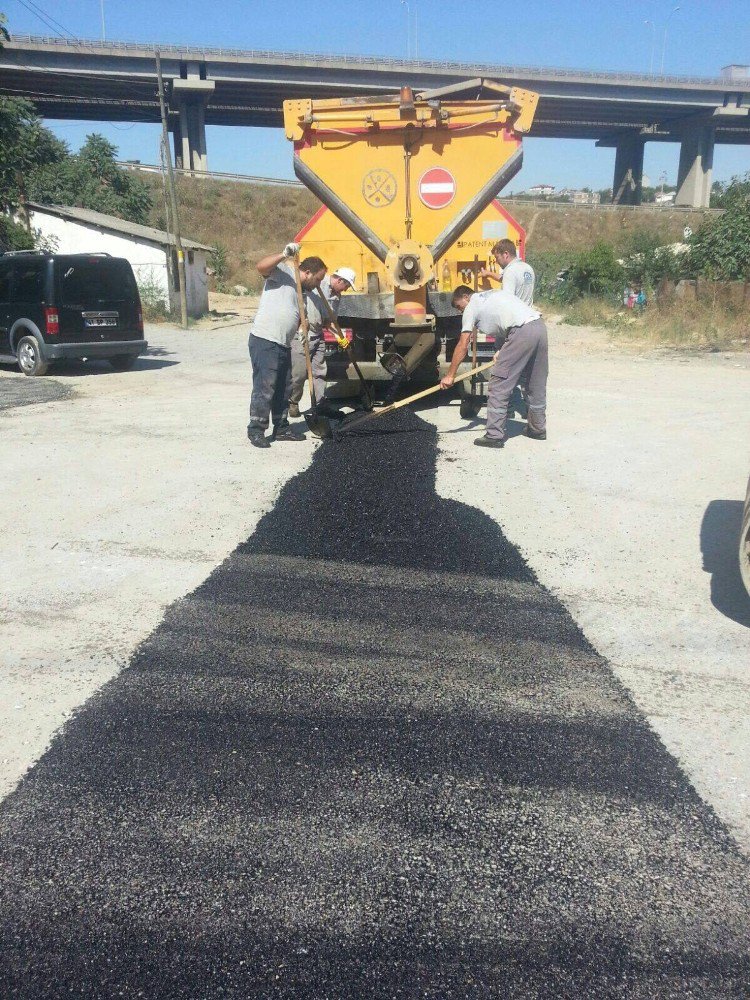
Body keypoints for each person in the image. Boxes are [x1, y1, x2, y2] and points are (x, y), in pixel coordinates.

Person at [441, 286, 548, 449]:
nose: (461, 311)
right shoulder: (493, 294)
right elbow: (503, 323)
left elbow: (463, 344)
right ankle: (537, 428)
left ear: (466, 297)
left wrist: (450, 375)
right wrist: (501, 350)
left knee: (499, 383)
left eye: (459, 306)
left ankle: (494, 435)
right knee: (535, 383)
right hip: (539, 327)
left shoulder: (472, 305)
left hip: (521, 331)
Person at [247, 243, 326, 448]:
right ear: (308, 272)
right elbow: (261, 267)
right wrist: (284, 254)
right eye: (318, 279)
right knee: (266, 386)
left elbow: (292, 311)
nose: (318, 285)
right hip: (265, 339)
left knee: (284, 387)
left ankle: (281, 427)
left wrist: (302, 323)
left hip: (283, 343)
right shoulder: (283, 271)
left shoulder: (301, 292)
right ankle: (256, 429)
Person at [288, 267, 357, 419]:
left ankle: (319, 404)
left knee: (319, 372)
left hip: (318, 335)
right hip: (303, 334)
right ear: (339, 280)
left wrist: (339, 337)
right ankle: (293, 402)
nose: (345, 290)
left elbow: (330, 321)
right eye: (346, 286)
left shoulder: (337, 297)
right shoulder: (317, 284)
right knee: (298, 374)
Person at [479, 238, 535, 304]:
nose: (496, 262)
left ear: (505, 254)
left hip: (515, 313)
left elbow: (507, 301)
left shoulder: (510, 272)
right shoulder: (527, 268)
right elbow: (507, 279)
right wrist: (488, 273)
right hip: (528, 312)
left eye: (497, 257)